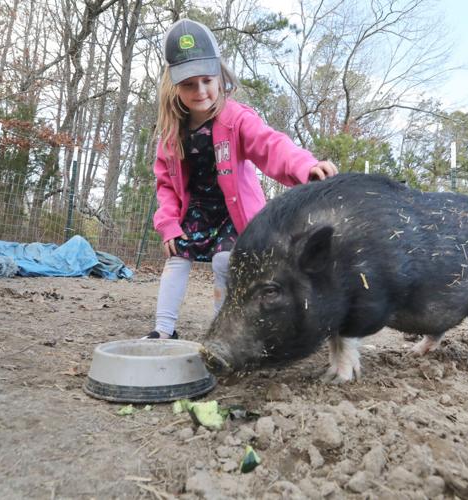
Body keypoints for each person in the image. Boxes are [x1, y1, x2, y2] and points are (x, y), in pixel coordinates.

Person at [144, 18, 338, 339]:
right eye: (189, 84)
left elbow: (271, 145)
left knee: (225, 261)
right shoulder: (170, 133)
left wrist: (306, 167)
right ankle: (163, 330)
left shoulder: (235, 120)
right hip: (196, 213)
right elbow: (165, 185)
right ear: (174, 85)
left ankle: (222, 333)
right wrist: (167, 225)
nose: (200, 91)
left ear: (219, 77)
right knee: (177, 257)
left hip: (236, 215)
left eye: (207, 80)